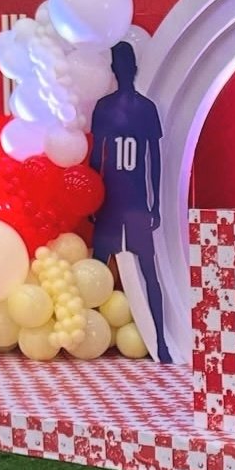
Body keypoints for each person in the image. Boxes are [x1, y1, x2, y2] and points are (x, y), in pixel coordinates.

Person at [88, 40, 169, 361]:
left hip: (129, 202)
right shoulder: (120, 108)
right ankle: (91, 335)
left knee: (143, 269)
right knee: (99, 265)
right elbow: (98, 158)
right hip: (119, 200)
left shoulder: (134, 108)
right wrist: (95, 200)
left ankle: (161, 341)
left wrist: (155, 204)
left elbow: (154, 159)